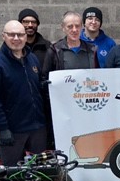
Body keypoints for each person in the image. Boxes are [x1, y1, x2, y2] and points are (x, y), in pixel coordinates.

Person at [0, 20, 47, 166]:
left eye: (20, 35)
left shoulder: (32, 59)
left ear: (25, 36)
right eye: (11, 35)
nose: (16, 38)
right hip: (12, 131)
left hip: (37, 128)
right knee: (12, 174)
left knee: (40, 172)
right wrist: (2, 128)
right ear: (3, 36)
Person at [42, 11, 99, 149]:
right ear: (63, 28)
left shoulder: (92, 50)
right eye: (70, 26)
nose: (74, 30)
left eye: (77, 26)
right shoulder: (54, 51)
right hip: (63, 111)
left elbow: (97, 78)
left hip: (86, 109)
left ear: (82, 27)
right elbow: (44, 80)